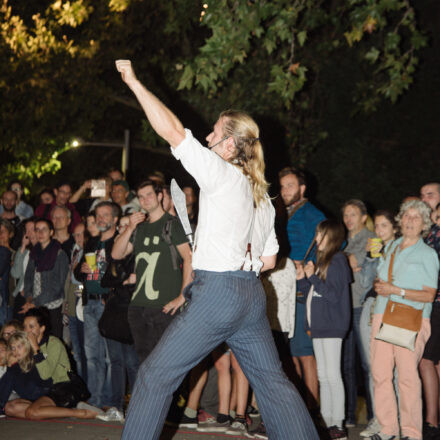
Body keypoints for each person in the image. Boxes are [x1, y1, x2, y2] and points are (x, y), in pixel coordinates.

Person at [116, 59, 318, 440]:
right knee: (273, 386)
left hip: (221, 293)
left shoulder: (222, 174)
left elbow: (174, 132)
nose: (207, 137)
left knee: (155, 376)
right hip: (251, 295)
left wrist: (135, 82)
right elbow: (270, 260)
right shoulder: (264, 197)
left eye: (213, 132)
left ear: (229, 144)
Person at [369, 199, 439, 440]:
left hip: (411, 318)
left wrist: (395, 291)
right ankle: (388, 429)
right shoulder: (391, 246)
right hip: (382, 314)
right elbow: (381, 281)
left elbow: (429, 294)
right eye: (406, 216)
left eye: (416, 217)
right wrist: (381, 287)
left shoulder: (428, 254)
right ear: (400, 220)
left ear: (424, 225)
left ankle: (411, 433)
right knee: (380, 374)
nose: (410, 220)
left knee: (408, 377)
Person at [111, 180, 192, 363]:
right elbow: (117, 254)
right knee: (144, 363)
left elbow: (189, 258)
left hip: (164, 306)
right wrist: (130, 227)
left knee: (163, 364)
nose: (145, 200)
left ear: (160, 196)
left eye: (149, 194)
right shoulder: (140, 228)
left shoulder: (172, 225)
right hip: (138, 306)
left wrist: (182, 296)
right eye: (141, 196)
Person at [296, 219, 352, 440]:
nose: (316, 238)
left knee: (332, 375)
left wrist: (311, 277)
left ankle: (337, 423)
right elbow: (312, 293)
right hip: (319, 325)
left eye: (320, 234)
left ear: (333, 236)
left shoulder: (338, 260)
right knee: (323, 375)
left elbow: (332, 294)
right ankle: (328, 421)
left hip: (332, 325)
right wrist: (303, 279)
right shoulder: (321, 261)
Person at [278, 166, 324, 413]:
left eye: (290, 186)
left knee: (305, 354)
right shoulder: (281, 212)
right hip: (280, 288)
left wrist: (311, 264)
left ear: (302, 189)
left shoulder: (312, 214)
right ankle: (294, 411)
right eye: (283, 185)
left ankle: (312, 411)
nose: (285, 190)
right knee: (288, 354)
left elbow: (336, 242)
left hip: (301, 289)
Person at [2, 309, 99, 420]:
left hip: (63, 388)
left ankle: (78, 413)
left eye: (31, 327)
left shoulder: (53, 343)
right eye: (25, 327)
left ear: (42, 329)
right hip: (43, 391)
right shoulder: (24, 346)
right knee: (10, 408)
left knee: (32, 412)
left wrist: (36, 350)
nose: (27, 331)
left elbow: (45, 376)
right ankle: (51, 412)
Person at [73, 201, 121, 409]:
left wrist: (111, 295)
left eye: (105, 215)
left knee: (110, 357)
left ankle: (111, 401)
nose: (101, 219)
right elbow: (77, 274)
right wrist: (81, 269)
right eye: (98, 215)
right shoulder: (91, 242)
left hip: (108, 305)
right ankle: (95, 399)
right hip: (89, 303)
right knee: (92, 355)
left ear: (115, 219)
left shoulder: (119, 242)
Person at [358, 210, 398, 438]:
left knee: (393, 369)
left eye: (385, 226)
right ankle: (378, 418)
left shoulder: (400, 249)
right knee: (373, 367)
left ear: (395, 228)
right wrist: (372, 258)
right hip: (371, 306)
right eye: (378, 226)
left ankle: (397, 420)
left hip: (393, 309)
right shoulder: (376, 249)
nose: (380, 231)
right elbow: (365, 282)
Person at [342, 199, 375, 425]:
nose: (348, 219)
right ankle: (350, 415)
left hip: (363, 306)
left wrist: (345, 262)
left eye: (353, 214)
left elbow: (364, 269)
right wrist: (349, 262)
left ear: (363, 217)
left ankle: (375, 414)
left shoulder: (373, 239)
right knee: (346, 364)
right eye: (345, 215)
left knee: (367, 364)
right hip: (344, 306)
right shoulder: (345, 242)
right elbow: (347, 264)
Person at [22, 219, 69, 339]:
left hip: (52, 307)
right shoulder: (34, 253)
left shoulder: (60, 254)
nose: (40, 233)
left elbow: (58, 287)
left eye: (44, 229)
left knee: (53, 342)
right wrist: (29, 298)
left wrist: (34, 302)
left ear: (51, 232)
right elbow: (28, 279)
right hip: (36, 306)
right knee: (37, 342)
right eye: (37, 230)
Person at [419, 184, 440, 440]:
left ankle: (431, 422)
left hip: (434, 303)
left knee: (425, 361)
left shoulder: (434, 234)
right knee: (433, 364)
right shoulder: (429, 231)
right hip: (431, 303)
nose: (425, 199)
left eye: (430, 194)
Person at [63, 222, 87, 382]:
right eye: (76, 235)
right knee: (77, 352)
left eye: (81, 234)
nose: (79, 238)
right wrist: (66, 301)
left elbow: (80, 281)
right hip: (72, 302)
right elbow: (70, 280)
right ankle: (80, 384)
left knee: (86, 351)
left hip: (82, 303)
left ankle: (87, 385)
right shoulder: (76, 252)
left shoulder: (89, 253)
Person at [10, 218, 38, 319]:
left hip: (34, 296)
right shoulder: (24, 251)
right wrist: (22, 246)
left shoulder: (44, 250)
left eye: (32, 229)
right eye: (27, 230)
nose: (29, 233)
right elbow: (15, 274)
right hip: (20, 293)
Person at [0, 219, 14, 326]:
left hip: (9, 299)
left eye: (3, 231)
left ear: (10, 234)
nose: (0, 234)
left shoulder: (17, 253)